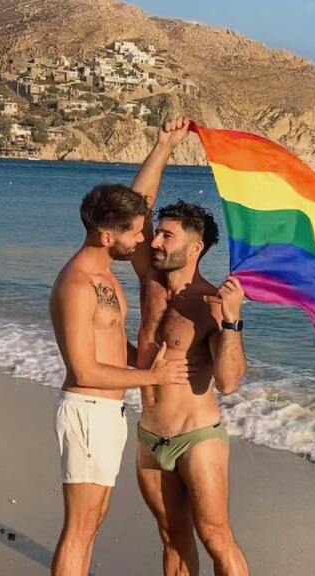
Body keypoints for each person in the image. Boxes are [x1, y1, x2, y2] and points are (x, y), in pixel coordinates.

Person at [49, 117, 194, 575]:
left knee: (93, 521)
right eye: (135, 234)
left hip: (106, 412)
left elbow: (141, 205)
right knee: (81, 527)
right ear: (108, 236)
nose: (144, 240)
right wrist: (153, 375)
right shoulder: (77, 285)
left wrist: (163, 147)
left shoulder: (105, 265)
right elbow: (84, 370)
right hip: (88, 409)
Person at [132, 193, 251, 575]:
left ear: (194, 248)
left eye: (166, 236)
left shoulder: (210, 303)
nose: (154, 241)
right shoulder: (150, 282)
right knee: (172, 537)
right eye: (157, 234)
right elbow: (137, 208)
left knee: (216, 536)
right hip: (150, 437)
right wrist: (164, 145)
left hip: (196, 438)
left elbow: (229, 381)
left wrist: (232, 320)